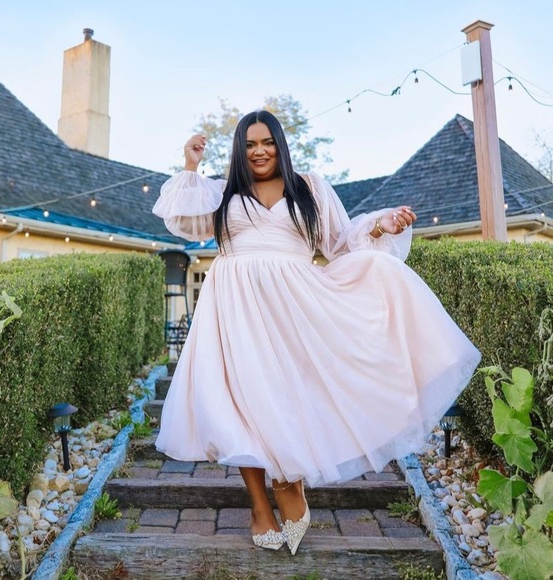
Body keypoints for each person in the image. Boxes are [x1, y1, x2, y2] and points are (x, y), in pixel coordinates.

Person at [152, 110, 481, 554]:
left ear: (280, 144)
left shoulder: (309, 187)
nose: (259, 151)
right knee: (240, 400)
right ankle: (259, 505)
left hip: (294, 303)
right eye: (249, 145)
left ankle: (288, 479)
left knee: (286, 395)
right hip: (232, 303)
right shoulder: (222, 191)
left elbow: (341, 244)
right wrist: (191, 165)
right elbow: (184, 222)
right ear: (239, 150)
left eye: (267, 142)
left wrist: (379, 226)